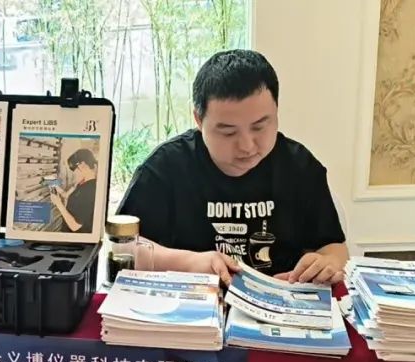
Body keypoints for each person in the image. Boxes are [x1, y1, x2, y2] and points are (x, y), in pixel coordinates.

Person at [118, 50, 348, 285]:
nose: (247, 146)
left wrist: (327, 263)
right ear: (198, 120)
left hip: (281, 297)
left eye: (259, 127)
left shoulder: (300, 167)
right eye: (228, 132)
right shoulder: (165, 168)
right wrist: (191, 263)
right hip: (193, 299)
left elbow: (334, 248)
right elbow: (123, 248)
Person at [50, 147, 97, 234]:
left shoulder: (91, 191)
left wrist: (58, 204)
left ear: (82, 165)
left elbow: (75, 226)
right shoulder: (82, 183)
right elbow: (66, 195)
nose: (74, 174)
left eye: (74, 170)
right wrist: (54, 184)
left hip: (75, 238)